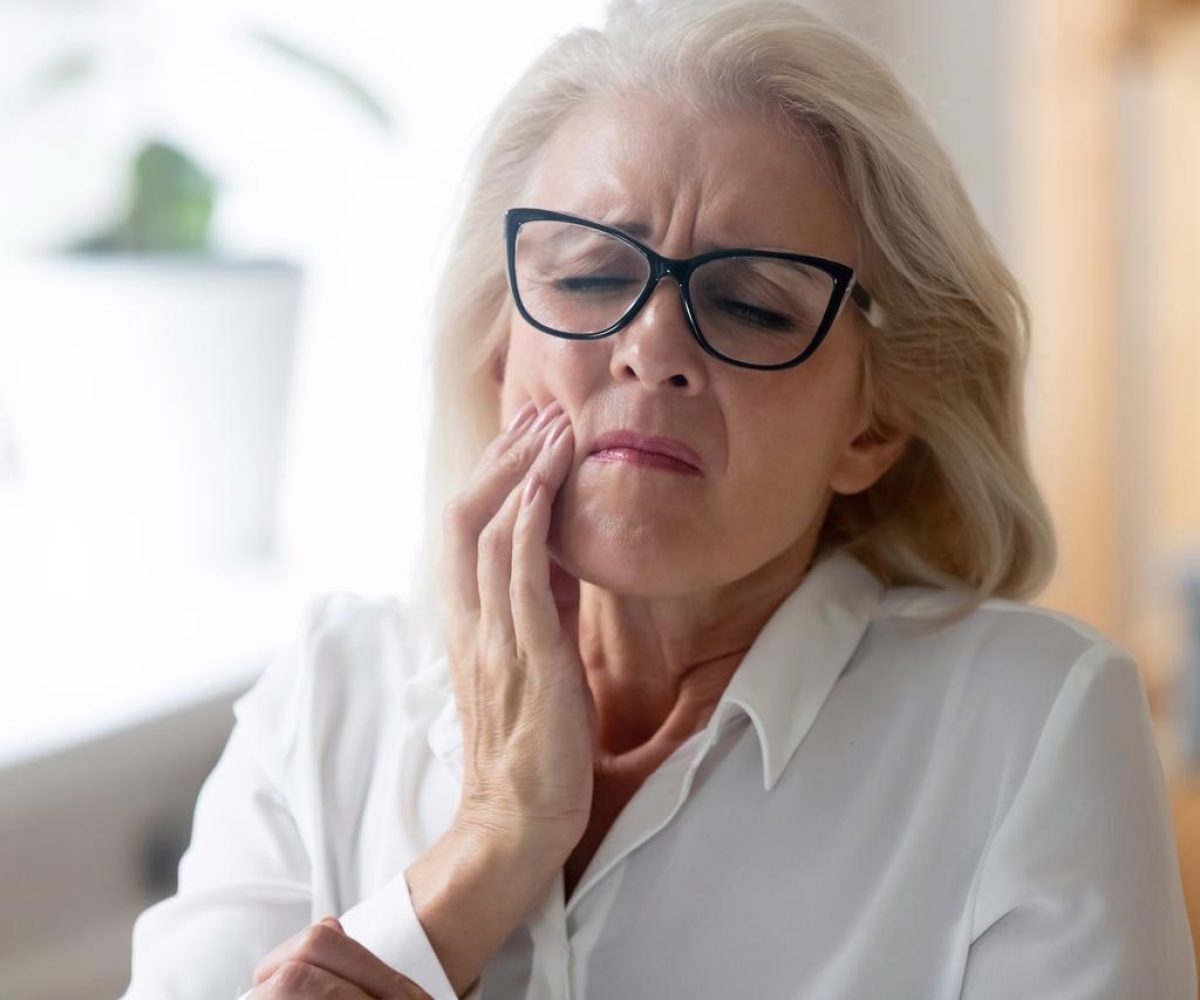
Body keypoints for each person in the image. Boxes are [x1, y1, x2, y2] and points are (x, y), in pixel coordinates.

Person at [120, 0, 1198, 997]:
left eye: (750, 304)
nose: (651, 348)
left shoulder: (1029, 727)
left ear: (872, 425)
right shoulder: (330, 696)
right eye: (590, 276)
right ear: (502, 350)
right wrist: (487, 850)